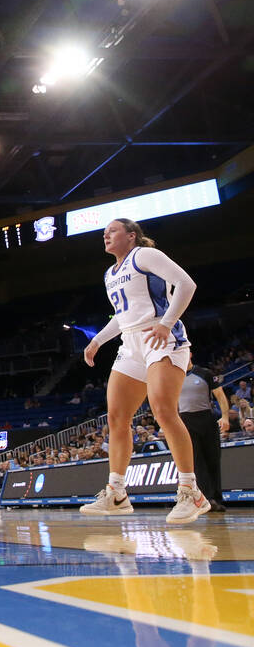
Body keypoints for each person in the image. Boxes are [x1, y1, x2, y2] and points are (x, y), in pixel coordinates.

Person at [80, 218, 207, 523]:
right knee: (116, 417)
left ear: (131, 235)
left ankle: (192, 492)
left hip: (161, 336)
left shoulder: (144, 255)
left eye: (113, 230)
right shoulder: (110, 273)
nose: (106, 235)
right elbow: (123, 316)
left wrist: (166, 323)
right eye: (104, 232)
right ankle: (118, 493)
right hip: (131, 344)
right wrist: (97, 340)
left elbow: (186, 284)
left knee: (163, 411)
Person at [177, 361, 227, 512]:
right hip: (185, 420)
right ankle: (207, 499)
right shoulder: (174, 377)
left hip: (206, 418)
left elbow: (220, 394)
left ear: (190, 354)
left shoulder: (205, 373)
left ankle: (217, 497)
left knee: (213, 458)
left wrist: (225, 416)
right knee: (197, 461)